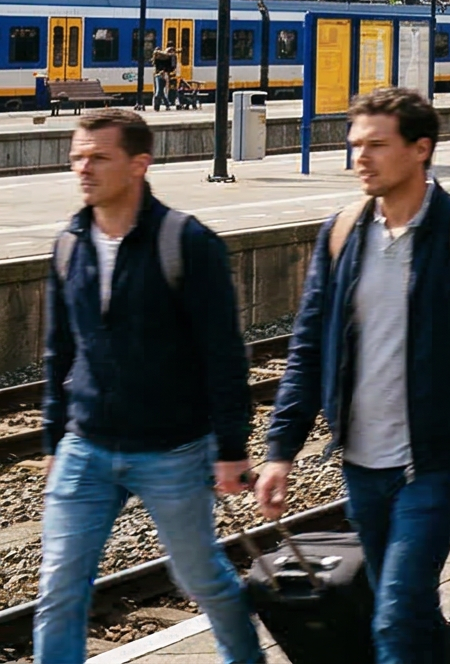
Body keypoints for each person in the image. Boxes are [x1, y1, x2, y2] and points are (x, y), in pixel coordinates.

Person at [258, 88, 450, 664]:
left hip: (436, 464)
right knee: (408, 611)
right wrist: (280, 450)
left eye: (376, 145)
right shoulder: (341, 232)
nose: (360, 156)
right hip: (361, 463)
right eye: (355, 144)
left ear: (420, 149)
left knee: (393, 617)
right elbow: (308, 347)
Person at [37, 108, 261, 664]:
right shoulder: (70, 243)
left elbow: (224, 355)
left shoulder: (186, 243)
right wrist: (52, 437)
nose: (83, 169)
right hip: (86, 447)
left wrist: (231, 449)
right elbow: (57, 351)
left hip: (173, 450)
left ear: (140, 164)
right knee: (59, 590)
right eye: (77, 158)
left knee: (201, 578)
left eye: (98, 158)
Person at [149, 41, 177, 110]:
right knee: (160, 91)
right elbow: (172, 67)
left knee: (160, 90)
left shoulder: (160, 56)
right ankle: (162, 105)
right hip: (163, 75)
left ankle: (159, 105)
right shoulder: (170, 57)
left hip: (159, 75)